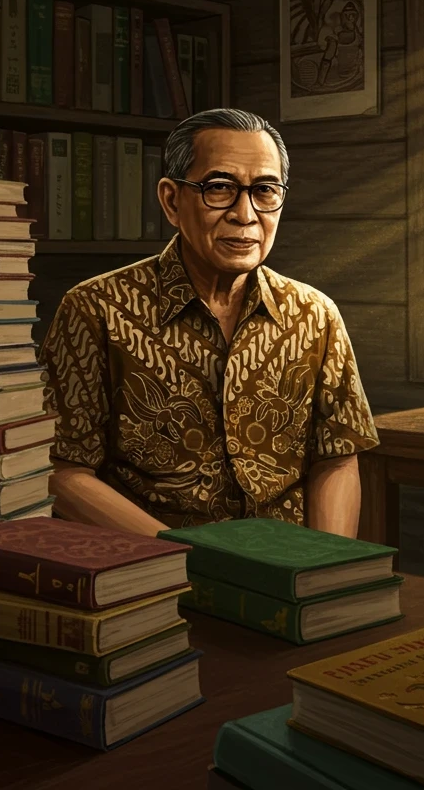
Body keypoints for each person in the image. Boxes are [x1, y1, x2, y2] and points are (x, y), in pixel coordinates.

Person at [40, 108, 379, 538]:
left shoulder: (315, 315)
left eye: (265, 190)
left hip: (288, 567)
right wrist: (185, 563)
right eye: (219, 188)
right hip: (151, 570)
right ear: (171, 200)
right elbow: (63, 471)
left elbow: (338, 456)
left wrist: (325, 567)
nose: (245, 214)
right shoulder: (95, 309)